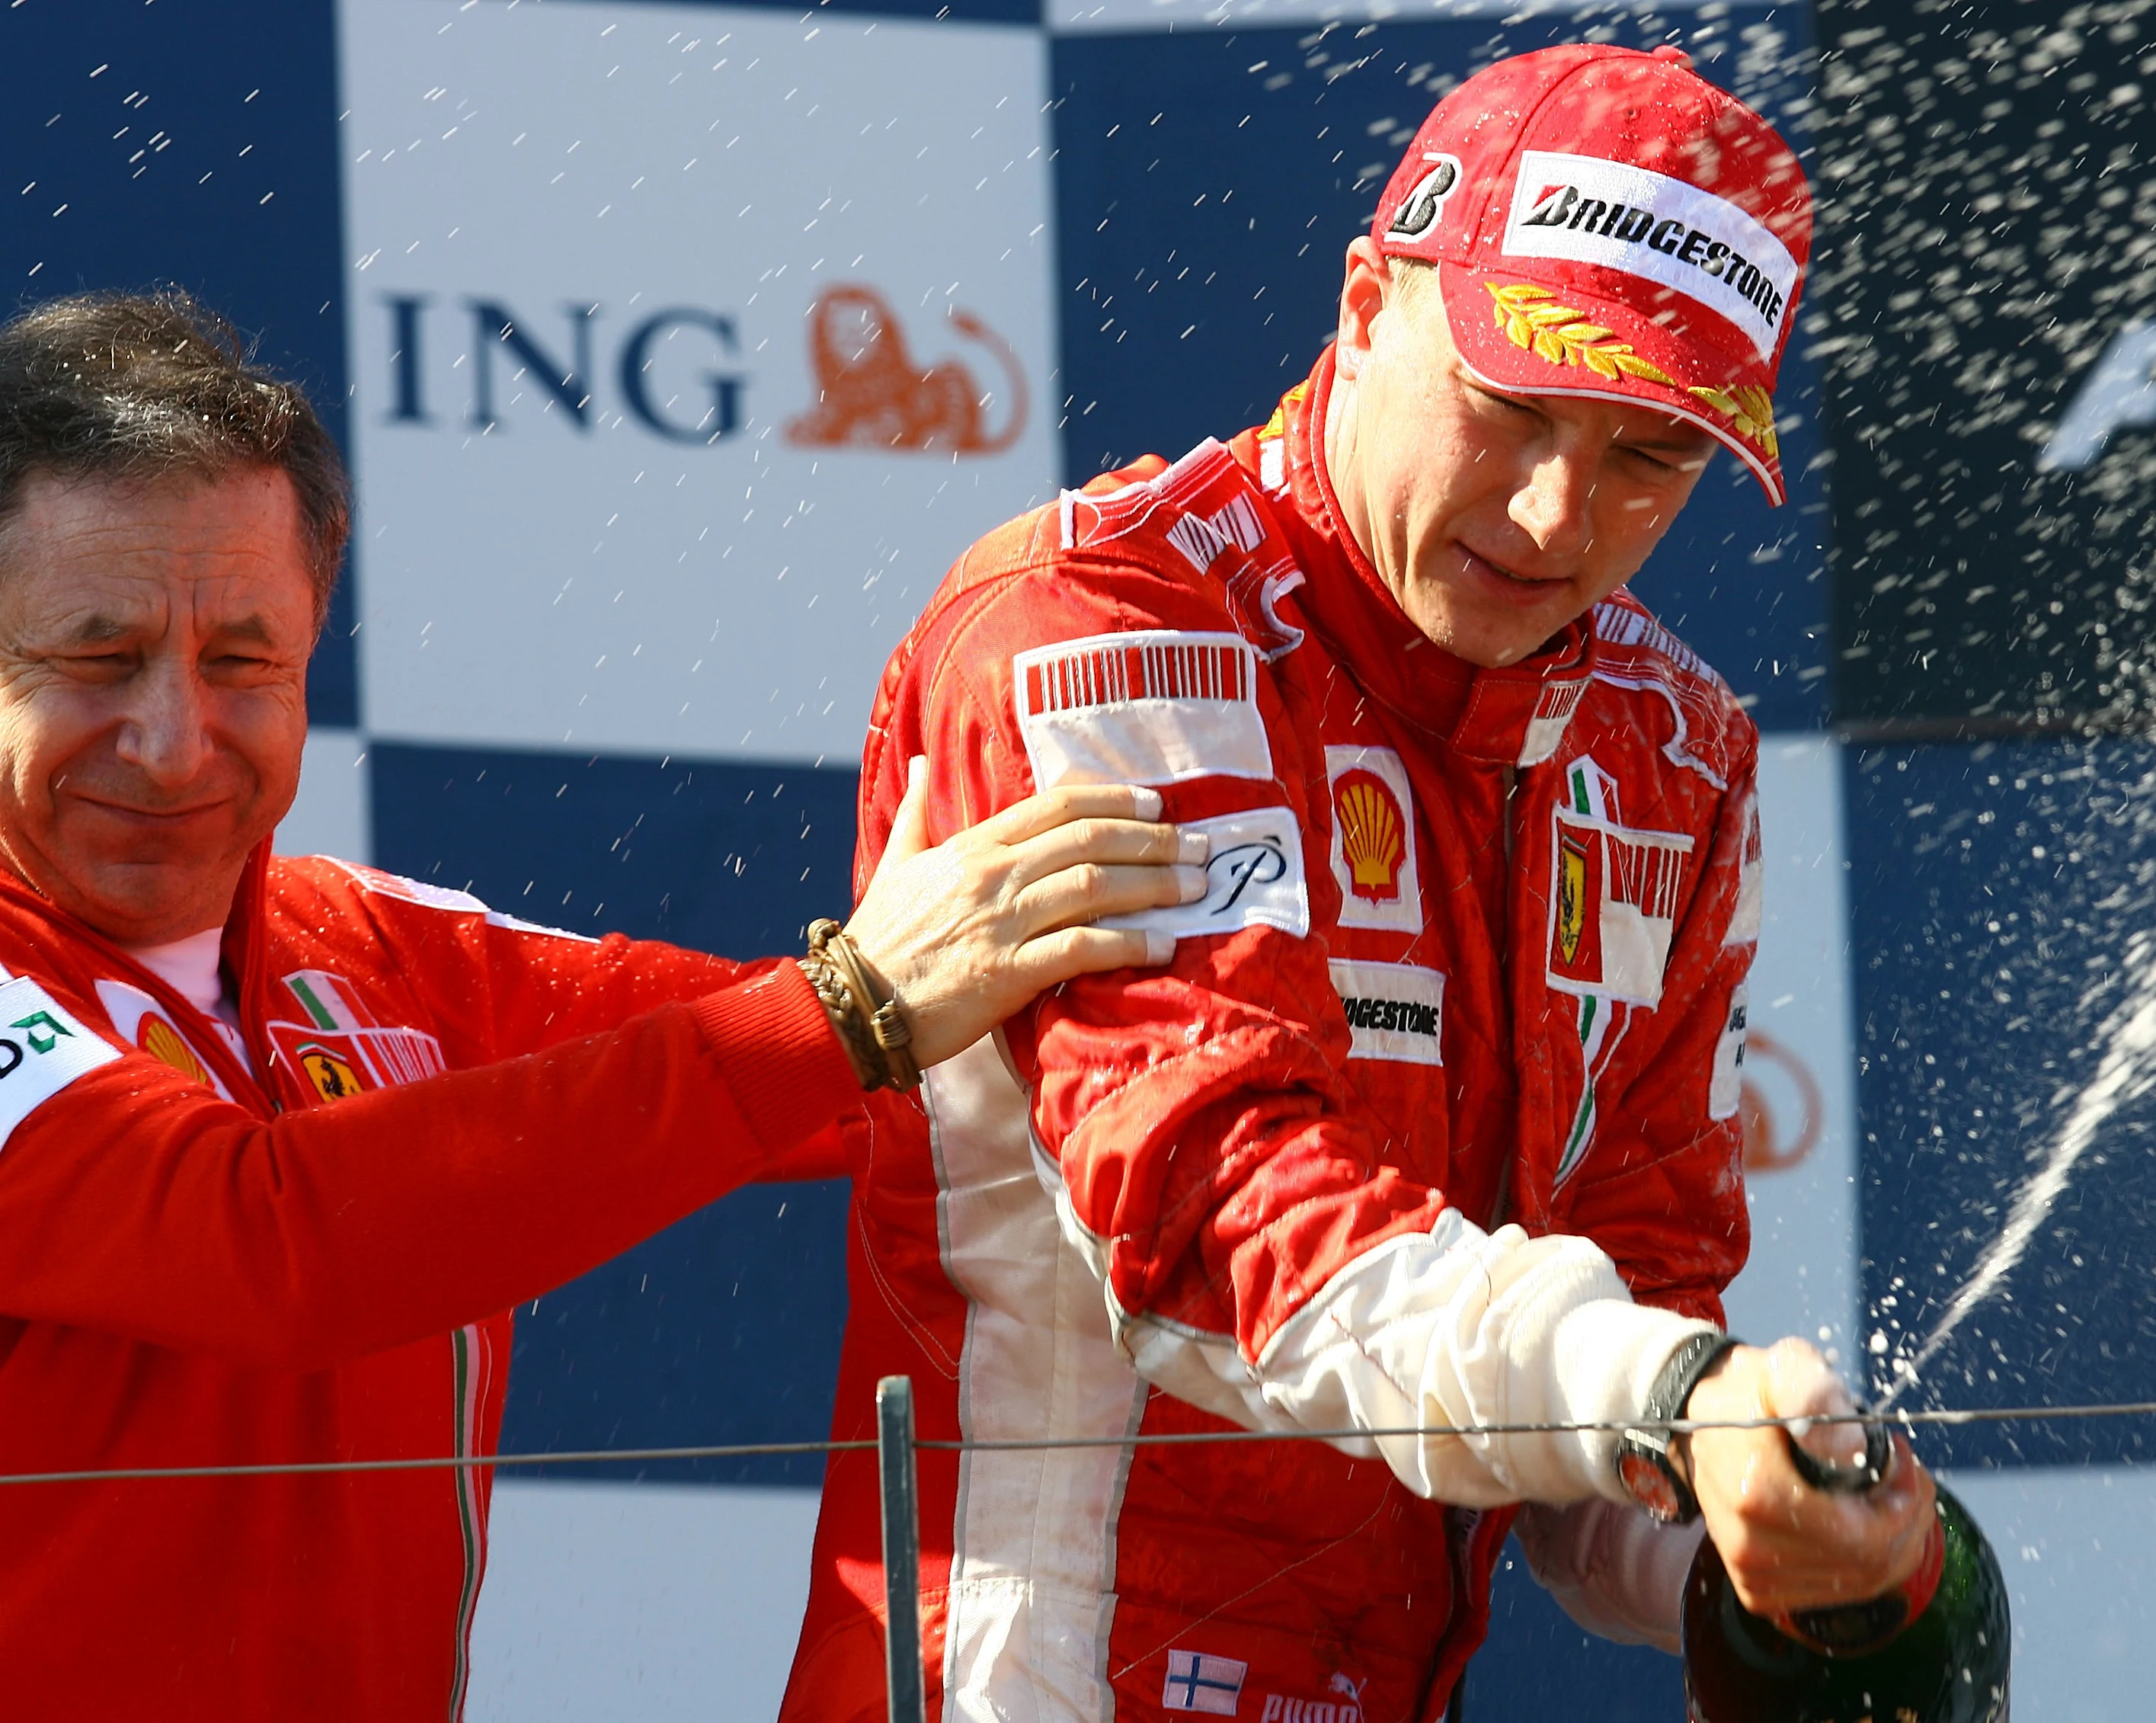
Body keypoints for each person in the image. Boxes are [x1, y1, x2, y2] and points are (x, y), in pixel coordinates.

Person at [785, 43, 1940, 1723]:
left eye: (1648, 458)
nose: (1558, 514)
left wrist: (1765, 1539)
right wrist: (1666, 1389)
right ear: (1367, 300)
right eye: (1517, 406)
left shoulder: (1671, 754)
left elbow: (1602, 1379)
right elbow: (1212, 1222)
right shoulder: (1102, 624)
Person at [0, 290, 1207, 1721]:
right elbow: (270, 1244)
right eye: (95, 658)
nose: (171, 736)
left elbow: (871, 1073)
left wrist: (1214, 1009)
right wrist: (859, 1008)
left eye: (242, 662)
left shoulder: (381, 948)